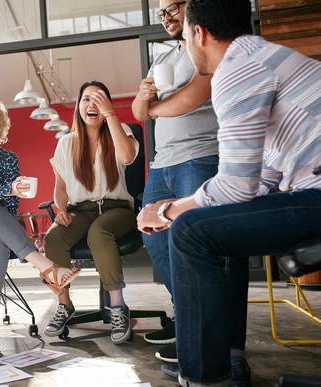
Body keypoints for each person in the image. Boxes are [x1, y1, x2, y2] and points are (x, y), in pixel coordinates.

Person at [137, 0, 321, 385]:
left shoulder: (236, 71)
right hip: (308, 189)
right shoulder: (263, 57)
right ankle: (215, 356)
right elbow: (262, 179)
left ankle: (206, 375)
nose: (185, 46)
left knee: (190, 230)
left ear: (198, 33)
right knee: (206, 222)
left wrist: (170, 210)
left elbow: (236, 188)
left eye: (185, 35)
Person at [132, 0, 249, 372]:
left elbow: (192, 98)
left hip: (202, 155)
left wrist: (152, 107)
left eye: (173, 8)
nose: (166, 17)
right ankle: (195, 321)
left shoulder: (207, 46)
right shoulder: (164, 59)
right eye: (161, 12)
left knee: (214, 250)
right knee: (155, 237)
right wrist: (144, 98)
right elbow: (137, 114)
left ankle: (228, 351)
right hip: (163, 163)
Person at [0, 97, 81, 355]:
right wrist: (5, 190)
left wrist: (1, 196)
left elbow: (10, 211)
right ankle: (44, 266)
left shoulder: (9, 159)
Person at [42, 81, 140, 344]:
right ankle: (64, 304)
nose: (91, 104)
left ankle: (118, 308)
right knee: (52, 238)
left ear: (107, 104)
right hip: (80, 210)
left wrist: (111, 117)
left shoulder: (121, 131)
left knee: (100, 232)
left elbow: (128, 157)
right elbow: (60, 188)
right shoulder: (65, 143)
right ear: (78, 107)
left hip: (116, 209)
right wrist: (61, 210)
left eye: (98, 99)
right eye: (86, 99)